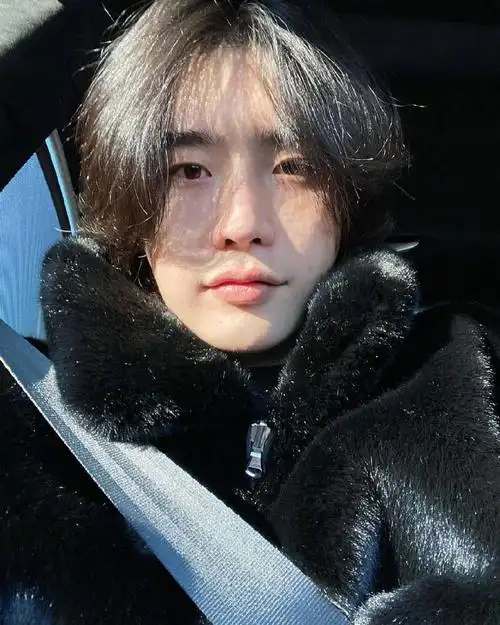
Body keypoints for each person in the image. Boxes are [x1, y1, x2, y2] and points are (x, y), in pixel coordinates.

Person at [0, 0, 499, 623]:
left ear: (346, 194)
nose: (242, 223)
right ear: (133, 195)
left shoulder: (471, 378)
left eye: (292, 167)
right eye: (189, 170)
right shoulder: (29, 432)